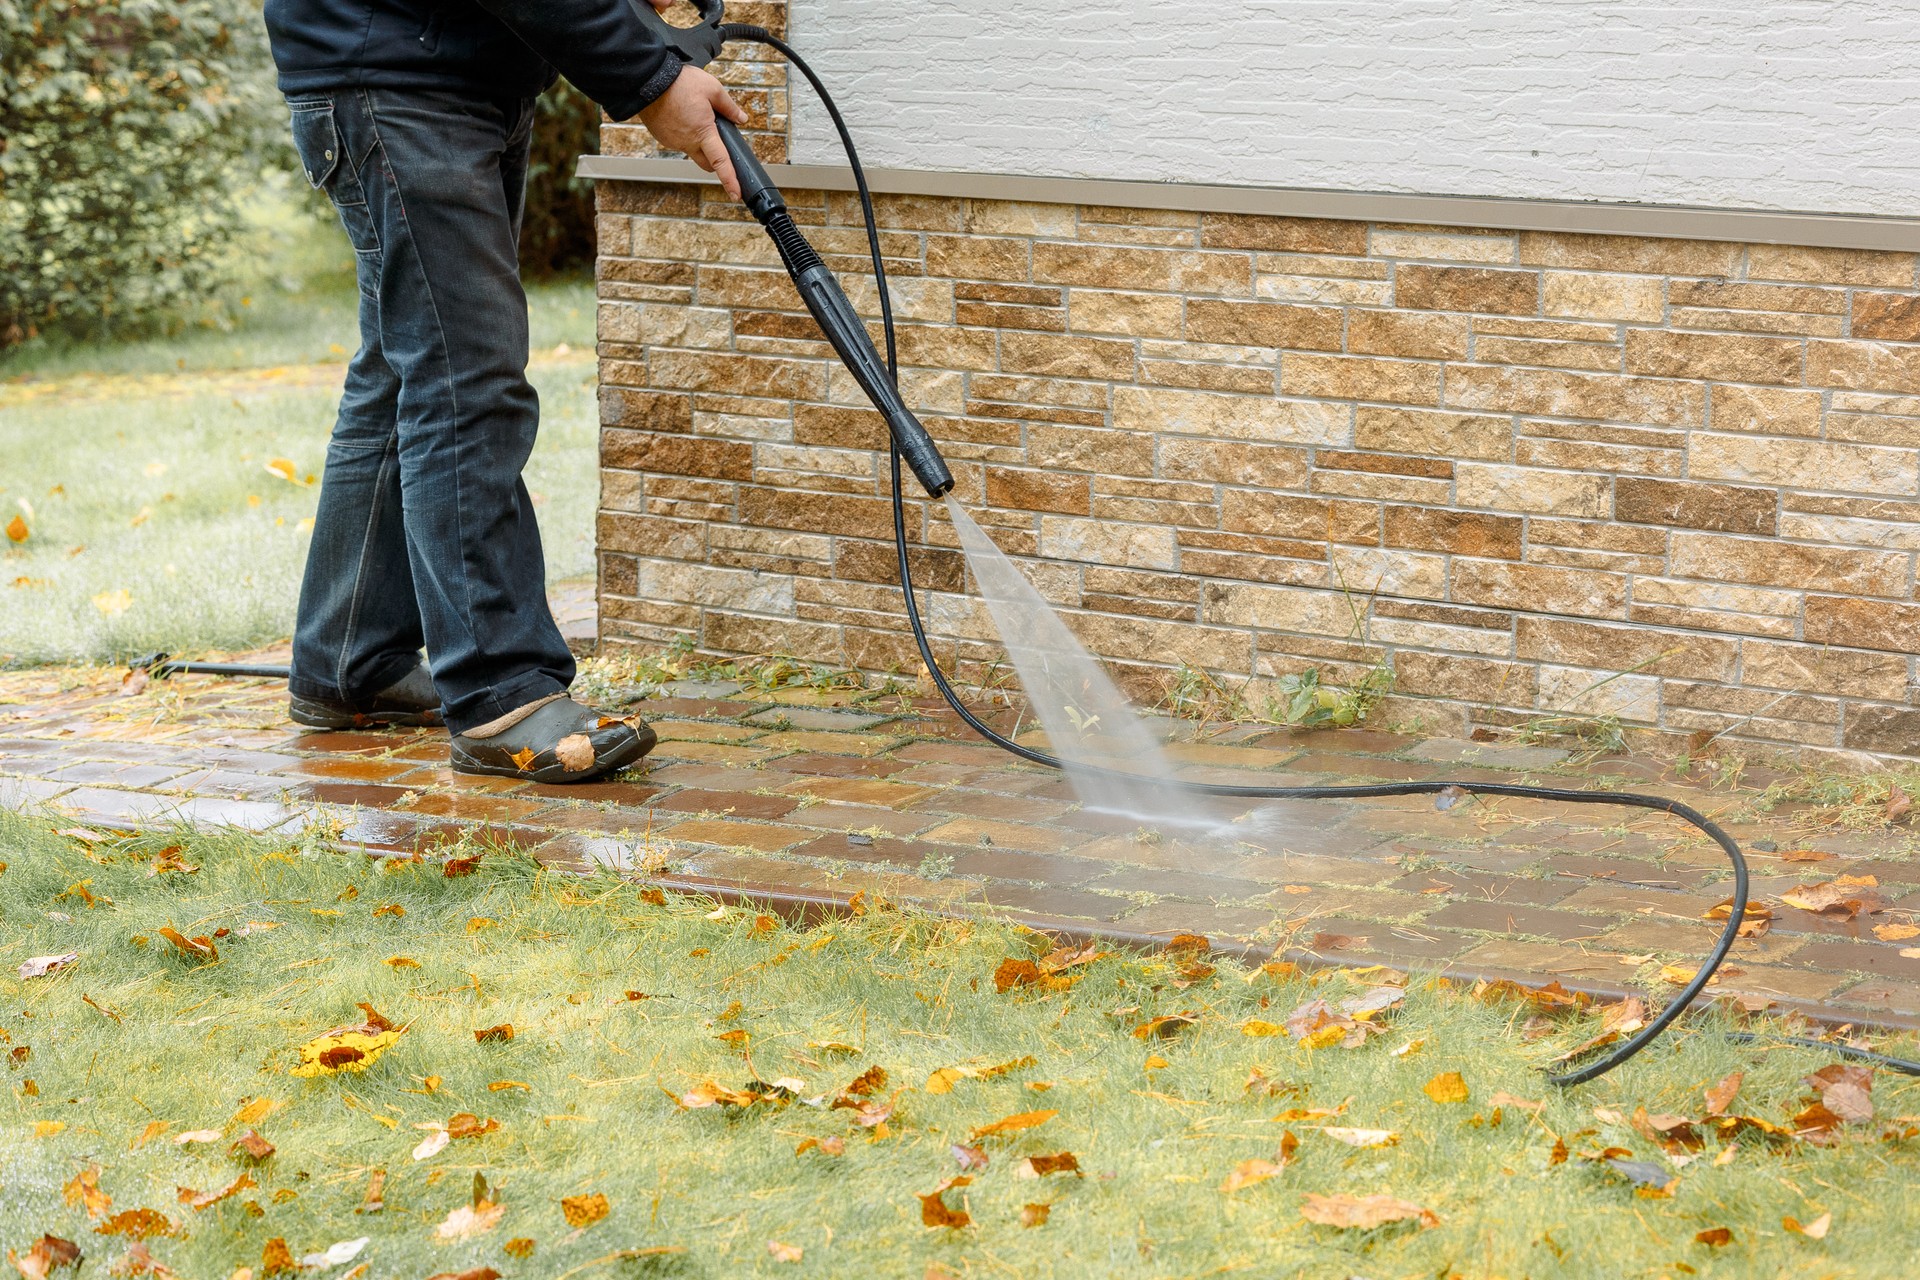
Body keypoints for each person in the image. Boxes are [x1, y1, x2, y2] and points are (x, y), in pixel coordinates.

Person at [261, 0, 744, 783]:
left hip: (435, 67)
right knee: (465, 378)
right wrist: (650, 78)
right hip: (400, 78)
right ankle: (501, 695)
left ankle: (350, 660)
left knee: (405, 369)